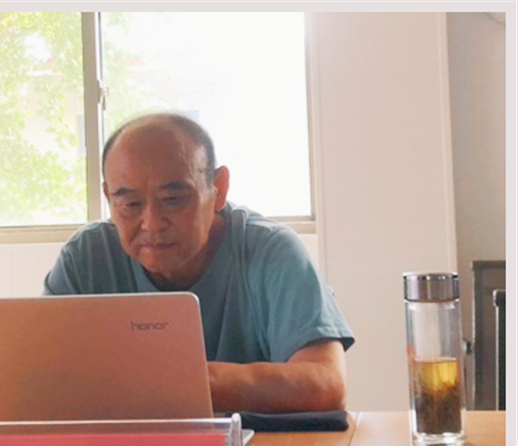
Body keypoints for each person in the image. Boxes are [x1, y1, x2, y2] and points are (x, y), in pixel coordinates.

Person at [43, 113, 355, 413]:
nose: (152, 223)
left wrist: (181, 380)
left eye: (173, 199)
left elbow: (326, 383)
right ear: (108, 197)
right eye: (130, 204)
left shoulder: (270, 252)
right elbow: (39, 377)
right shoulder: (87, 258)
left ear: (219, 189)